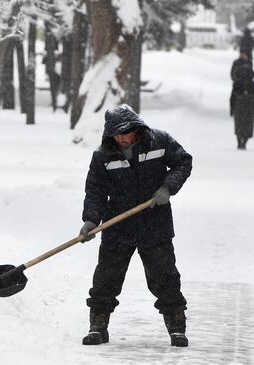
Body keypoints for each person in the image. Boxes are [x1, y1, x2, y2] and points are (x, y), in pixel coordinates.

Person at [79, 104, 192, 347]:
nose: (120, 138)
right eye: (115, 134)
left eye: (124, 133)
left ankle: (176, 328)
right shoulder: (103, 154)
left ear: (136, 128)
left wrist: (167, 188)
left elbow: (183, 162)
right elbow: (95, 190)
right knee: (106, 278)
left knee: (165, 277)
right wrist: (90, 220)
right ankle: (98, 326)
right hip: (118, 225)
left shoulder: (159, 141)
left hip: (155, 223)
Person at [230, 65, 254, 150]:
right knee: (247, 125)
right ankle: (244, 141)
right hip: (249, 108)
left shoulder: (237, 83)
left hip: (239, 107)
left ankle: (240, 141)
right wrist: (253, 105)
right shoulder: (252, 84)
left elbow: (232, 97)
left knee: (239, 125)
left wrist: (232, 108)